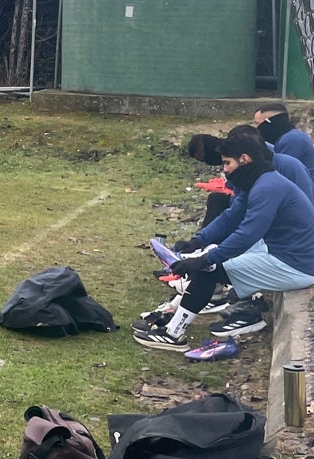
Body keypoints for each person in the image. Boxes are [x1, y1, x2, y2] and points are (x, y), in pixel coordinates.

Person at [134, 130, 314, 351]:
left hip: (296, 266)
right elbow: (230, 217)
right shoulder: (259, 180)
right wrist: (197, 241)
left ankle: (174, 334)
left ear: (245, 159)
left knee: (209, 268)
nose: (224, 169)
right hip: (285, 256)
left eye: (227, 163)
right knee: (209, 264)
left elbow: (247, 234)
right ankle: (174, 326)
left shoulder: (268, 186)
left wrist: (204, 259)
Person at [254, 103, 314, 179]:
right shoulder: (287, 137)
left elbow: (283, 171)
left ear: (271, 123)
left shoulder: (292, 139)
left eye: (259, 124)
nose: (258, 129)